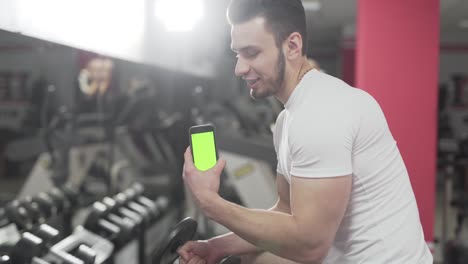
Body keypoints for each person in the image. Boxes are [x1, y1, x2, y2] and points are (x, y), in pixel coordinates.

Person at [179, 0, 433, 263]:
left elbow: (310, 246)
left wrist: (212, 204)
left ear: (292, 46)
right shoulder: (289, 119)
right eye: (237, 54)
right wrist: (217, 246)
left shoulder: (321, 111)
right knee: (255, 259)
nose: (239, 68)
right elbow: (285, 212)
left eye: (252, 53)